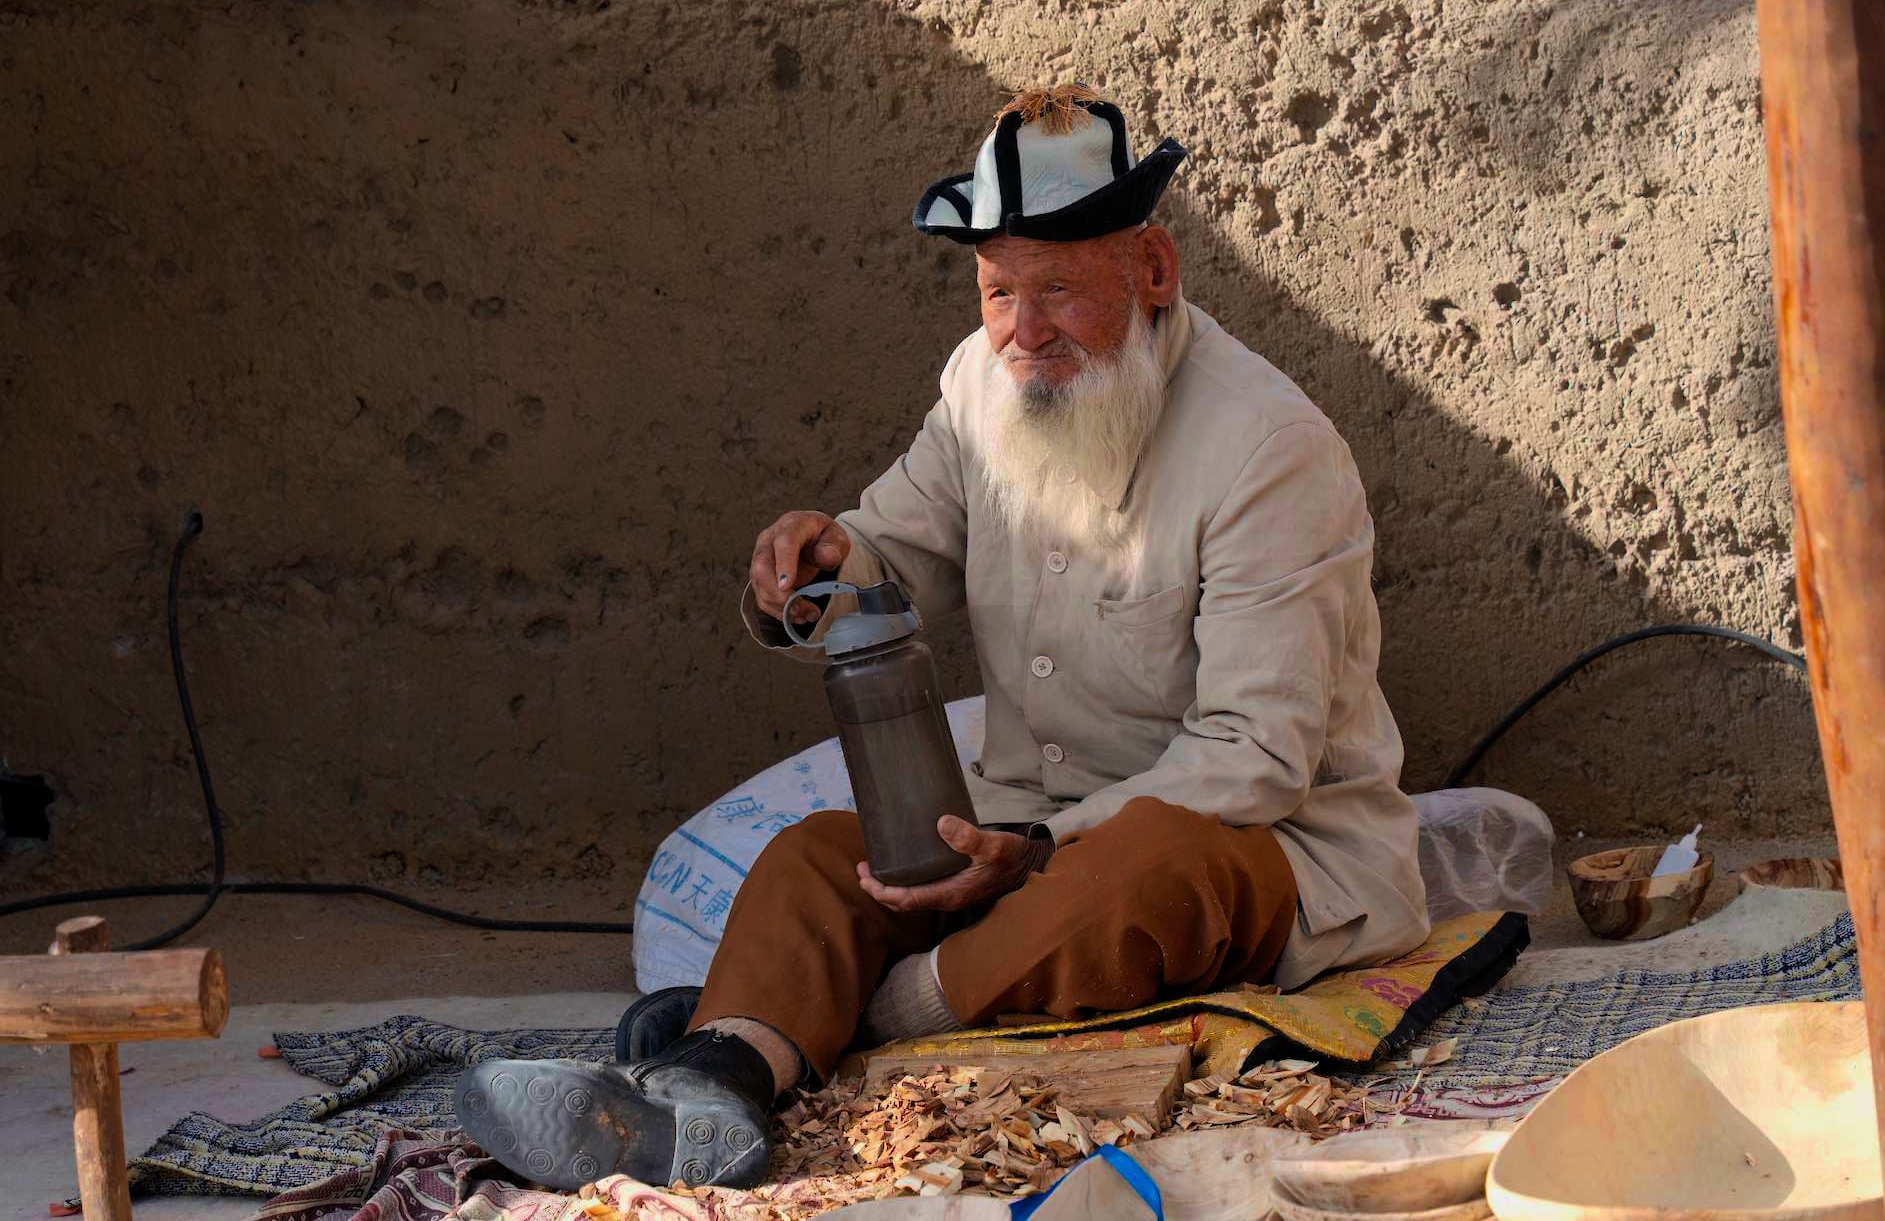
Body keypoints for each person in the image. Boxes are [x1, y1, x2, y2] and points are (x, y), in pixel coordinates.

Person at [454, 84, 1428, 1192]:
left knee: (1138, 872)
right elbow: (892, 554)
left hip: (1257, 849)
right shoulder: (982, 383)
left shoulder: (1268, 448)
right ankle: (712, 1088)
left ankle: (846, 1022)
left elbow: (1255, 758)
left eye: (1059, 289)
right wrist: (820, 565)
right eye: (1000, 290)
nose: (1025, 331)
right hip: (1018, 833)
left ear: (1153, 270)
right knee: (817, 858)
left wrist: (1045, 851)